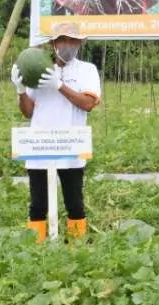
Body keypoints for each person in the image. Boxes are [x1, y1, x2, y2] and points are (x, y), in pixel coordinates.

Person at [11, 22, 102, 243]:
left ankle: (76, 249)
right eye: (63, 40)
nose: (68, 45)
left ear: (80, 43)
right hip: (39, 146)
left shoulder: (87, 70)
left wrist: (59, 85)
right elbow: (28, 112)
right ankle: (37, 248)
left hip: (71, 146)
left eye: (73, 40)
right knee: (37, 205)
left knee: (75, 203)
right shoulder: (38, 68)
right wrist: (21, 91)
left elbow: (88, 104)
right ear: (53, 43)